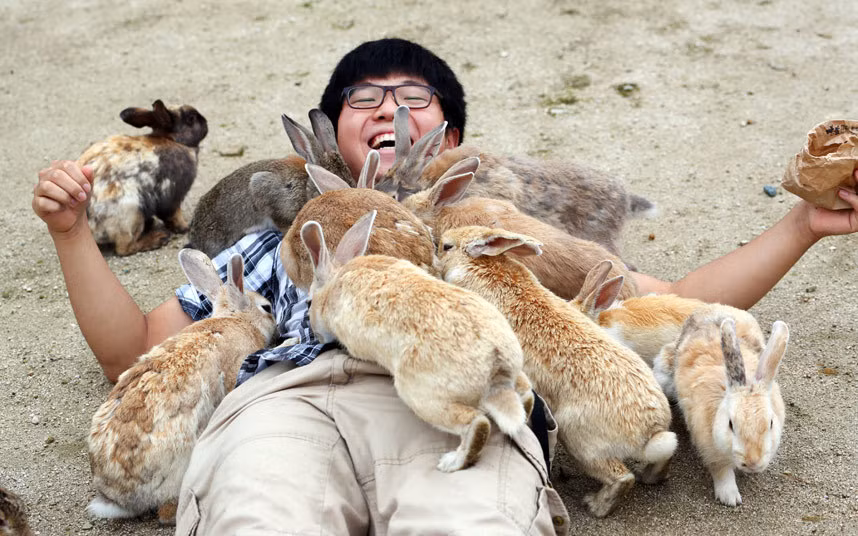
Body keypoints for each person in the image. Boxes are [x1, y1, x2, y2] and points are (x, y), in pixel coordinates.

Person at [31, 37, 858, 532]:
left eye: (413, 98)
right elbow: (134, 352)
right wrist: (74, 233)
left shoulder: (501, 239)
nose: (388, 109)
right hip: (290, 401)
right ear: (324, 143)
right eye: (363, 99)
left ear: (453, 136)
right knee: (258, 508)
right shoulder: (281, 241)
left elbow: (672, 301)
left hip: (472, 412)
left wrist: (801, 226)